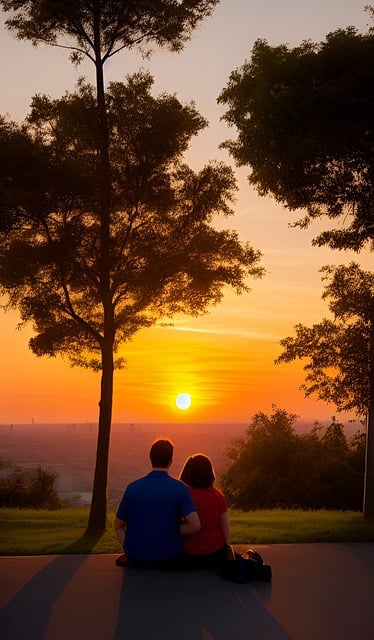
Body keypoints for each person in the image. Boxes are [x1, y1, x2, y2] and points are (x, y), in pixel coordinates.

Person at [114, 437, 200, 568]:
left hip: (137, 557)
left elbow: (118, 525)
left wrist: (129, 549)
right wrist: (169, 528)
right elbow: (195, 526)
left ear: (151, 458)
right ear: (170, 461)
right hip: (170, 557)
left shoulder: (133, 487)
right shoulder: (180, 489)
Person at [179, 453, 230, 568]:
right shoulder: (218, 496)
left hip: (189, 553)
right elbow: (225, 526)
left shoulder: (184, 496)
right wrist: (227, 547)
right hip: (215, 553)